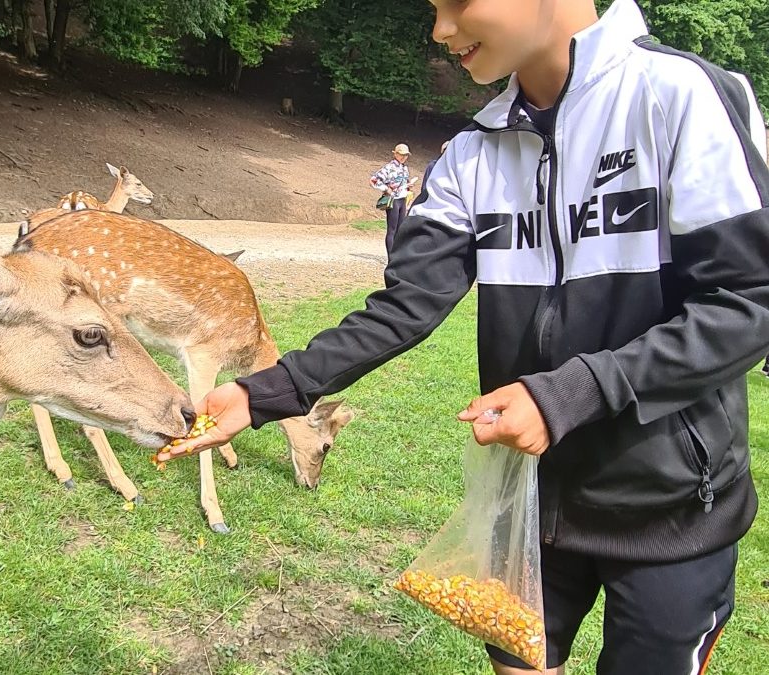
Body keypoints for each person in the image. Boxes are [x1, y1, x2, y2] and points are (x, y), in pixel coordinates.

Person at [158, 0, 769, 673]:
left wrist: (570, 393)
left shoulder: (680, 96)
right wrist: (266, 392)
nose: (440, 31)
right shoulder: (471, 154)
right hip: (527, 501)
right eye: (432, 9)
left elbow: (749, 301)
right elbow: (403, 308)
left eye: (457, 3)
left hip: (672, 512)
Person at [370, 143, 413, 254]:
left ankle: (397, 255)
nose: (404, 157)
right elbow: (374, 180)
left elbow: (403, 182)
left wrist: (408, 186)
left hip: (402, 199)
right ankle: (390, 257)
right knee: (392, 229)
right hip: (393, 200)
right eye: (401, 154)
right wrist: (386, 189)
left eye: (406, 155)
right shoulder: (389, 167)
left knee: (400, 229)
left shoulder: (405, 168)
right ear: (396, 154)